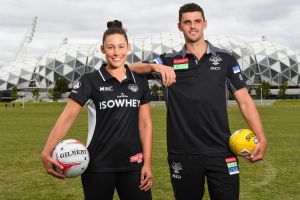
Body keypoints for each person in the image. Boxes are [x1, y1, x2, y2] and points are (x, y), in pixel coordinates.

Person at [130, 3, 267, 200]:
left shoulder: (226, 59)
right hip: (182, 153)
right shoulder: (168, 60)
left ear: (205, 24)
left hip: (222, 151)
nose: (192, 26)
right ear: (180, 26)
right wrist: (155, 66)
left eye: (197, 21)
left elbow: (244, 100)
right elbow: (132, 68)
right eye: (187, 22)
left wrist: (261, 136)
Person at [41, 20, 153, 200]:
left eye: (121, 46)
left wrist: (147, 163)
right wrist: (46, 151)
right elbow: (67, 117)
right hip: (98, 166)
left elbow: (145, 125)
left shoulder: (140, 81)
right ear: (102, 49)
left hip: (134, 165)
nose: (116, 53)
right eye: (110, 47)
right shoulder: (90, 81)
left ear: (128, 47)